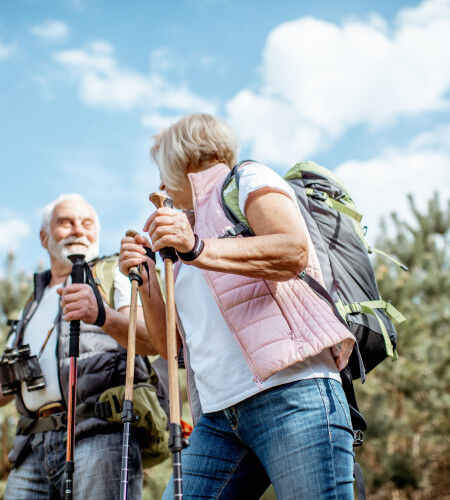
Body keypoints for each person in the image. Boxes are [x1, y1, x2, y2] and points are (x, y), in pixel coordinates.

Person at [119, 113, 357, 499]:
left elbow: (292, 250)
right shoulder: (185, 238)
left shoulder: (247, 178)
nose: (160, 185)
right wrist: (146, 280)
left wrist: (197, 249)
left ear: (183, 159)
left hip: (292, 393)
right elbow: (171, 348)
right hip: (217, 418)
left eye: (162, 171)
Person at [1, 193, 167, 499]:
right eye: (65, 222)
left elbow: (151, 341)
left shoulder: (112, 274)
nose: (78, 229)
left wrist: (101, 315)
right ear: (43, 236)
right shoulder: (31, 303)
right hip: (31, 446)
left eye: (86, 223)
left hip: (99, 435)